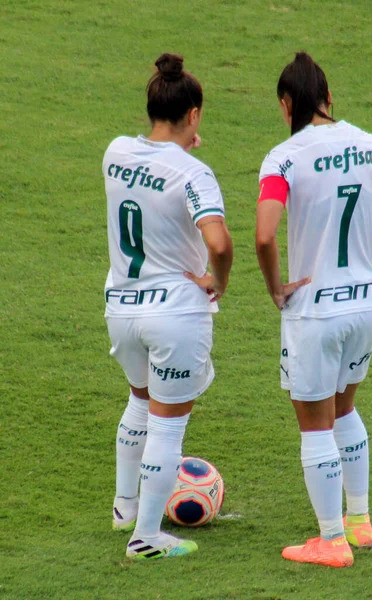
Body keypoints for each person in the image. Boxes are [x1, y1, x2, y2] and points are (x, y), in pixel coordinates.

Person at [255, 52, 372, 568]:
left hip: (315, 311)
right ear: (330, 98)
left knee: (315, 425)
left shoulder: (283, 158)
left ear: (287, 104)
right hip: (364, 304)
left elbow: (265, 234)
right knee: (344, 410)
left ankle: (331, 540)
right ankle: (359, 523)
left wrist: (275, 287)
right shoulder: (370, 145)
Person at [103, 53, 233, 560]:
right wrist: (215, 280)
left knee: (139, 399)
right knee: (168, 424)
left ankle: (124, 509)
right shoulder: (195, 174)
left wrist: (178, 149)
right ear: (194, 115)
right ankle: (148, 539)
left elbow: (149, 168)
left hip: (122, 309)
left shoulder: (114, 152)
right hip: (175, 313)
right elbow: (218, 243)